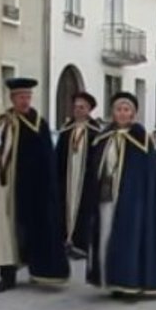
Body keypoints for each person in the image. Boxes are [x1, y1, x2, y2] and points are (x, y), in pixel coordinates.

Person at [0, 78, 70, 293]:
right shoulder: (3, 121)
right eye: (21, 97)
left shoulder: (38, 123)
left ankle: (39, 270)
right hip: (5, 187)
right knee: (4, 232)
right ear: (12, 99)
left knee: (33, 227)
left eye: (28, 97)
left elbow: (45, 158)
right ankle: (7, 275)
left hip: (31, 187)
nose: (25, 101)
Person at [86, 92, 156, 298]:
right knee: (106, 237)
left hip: (132, 202)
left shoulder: (142, 139)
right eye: (118, 110)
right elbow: (95, 167)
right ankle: (112, 280)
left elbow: (148, 174)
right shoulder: (103, 137)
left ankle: (130, 282)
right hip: (106, 198)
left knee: (129, 239)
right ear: (113, 113)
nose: (122, 114)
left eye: (127, 110)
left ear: (133, 114)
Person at [56, 92, 104, 260]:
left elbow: (98, 157)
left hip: (85, 180)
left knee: (84, 210)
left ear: (89, 109)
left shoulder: (95, 132)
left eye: (82, 107)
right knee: (64, 208)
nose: (78, 110)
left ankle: (80, 244)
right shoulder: (66, 130)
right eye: (76, 107)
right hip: (67, 178)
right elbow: (59, 155)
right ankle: (65, 240)